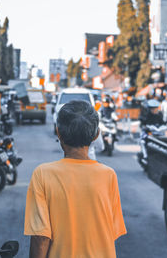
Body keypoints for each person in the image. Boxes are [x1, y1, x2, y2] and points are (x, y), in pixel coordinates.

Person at [24, 100, 126, 258]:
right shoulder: (108, 175)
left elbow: (41, 238)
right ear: (96, 135)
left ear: (58, 132)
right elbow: (109, 232)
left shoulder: (43, 174)